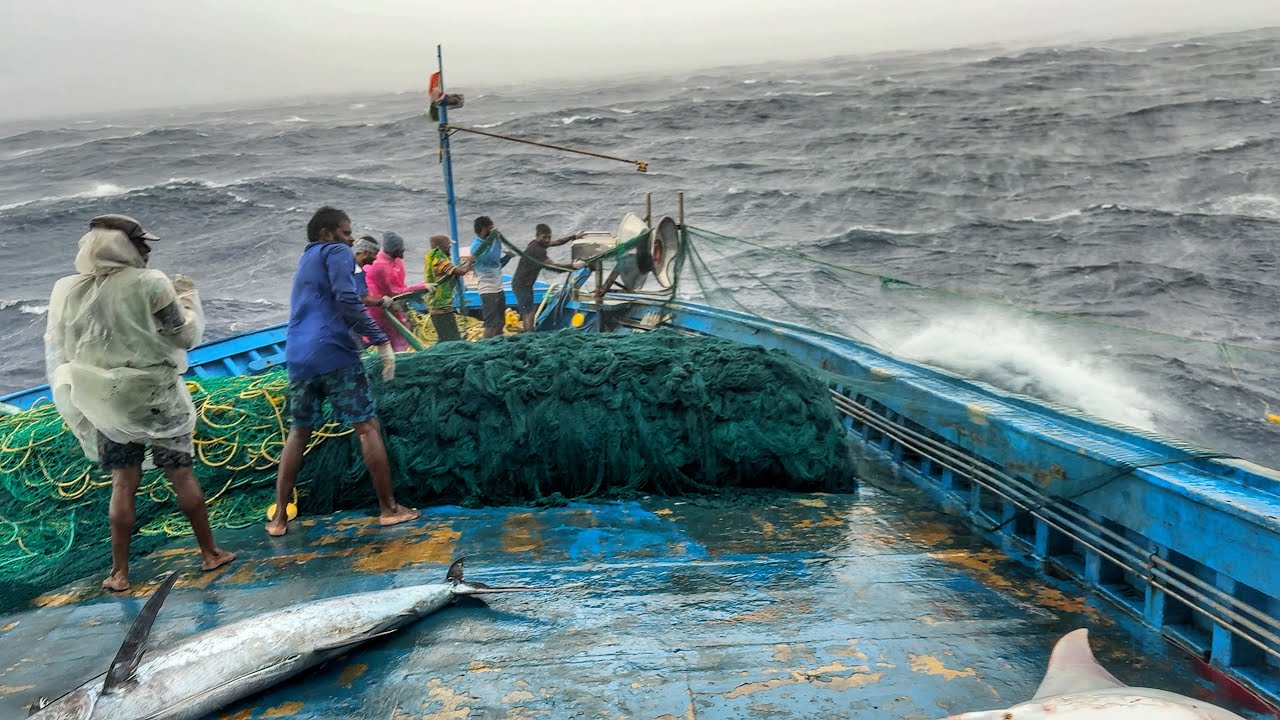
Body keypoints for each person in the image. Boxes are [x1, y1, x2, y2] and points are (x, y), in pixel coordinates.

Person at [44, 213, 236, 591]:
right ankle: (210, 553)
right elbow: (183, 336)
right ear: (124, 246)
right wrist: (189, 299)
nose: (146, 250)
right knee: (181, 473)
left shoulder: (66, 290)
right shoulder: (151, 283)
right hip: (157, 399)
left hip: (107, 404)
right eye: (141, 243)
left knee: (122, 483)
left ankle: (120, 574)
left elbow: (63, 348)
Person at [266, 207, 419, 537]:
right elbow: (348, 299)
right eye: (346, 232)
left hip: (298, 357)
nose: (351, 239)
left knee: (298, 431)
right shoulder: (337, 252)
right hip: (334, 352)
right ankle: (389, 509)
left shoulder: (306, 259)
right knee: (367, 426)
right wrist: (379, 340)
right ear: (326, 233)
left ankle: (279, 518)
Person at [510, 223, 585, 332]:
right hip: (521, 285)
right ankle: (528, 335)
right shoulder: (537, 250)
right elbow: (553, 267)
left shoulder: (539, 244)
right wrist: (573, 266)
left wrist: (573, 236)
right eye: (544, 237)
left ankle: (530, 331)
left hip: (526, 284)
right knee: (528, 311)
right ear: (537, 236)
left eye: (549, 237)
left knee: (529, 310)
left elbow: (557, 242)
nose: (547, 240)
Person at [365, 231, 427, 351]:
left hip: (395, 307)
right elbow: (394, 291)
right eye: (401, 251)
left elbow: (401, 285)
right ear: (393, 250)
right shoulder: (381, 266)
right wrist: (421, 287)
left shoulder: (396, 261)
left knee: (402, 339)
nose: (403, 254)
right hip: (380, 311)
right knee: (388, 343)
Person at [469, 216, 514, 339]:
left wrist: (508, 257)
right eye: (490, 228)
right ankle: (486, 347)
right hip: (488, 290)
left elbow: (496, 265)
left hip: (498, 289)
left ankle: (497, 344)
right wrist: (498, 239)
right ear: (484, 229)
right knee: (491, 323)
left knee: (500, 322)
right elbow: (493, 259)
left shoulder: (488, 244)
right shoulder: (476, 247)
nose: (493, 230)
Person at [424, 234, 473, 342]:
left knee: (444, 339)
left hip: (437, 306)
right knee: (452, 340)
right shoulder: (439, 260)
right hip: (441, 307)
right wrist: (469, 262)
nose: (449, 248)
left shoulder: (432, 257)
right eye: (448, 245)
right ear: (440, 247)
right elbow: (460, 272)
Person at [352, 236, 382, 307]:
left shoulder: (346, 265)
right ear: (365, 253)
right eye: (375, 254)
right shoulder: (358, 271)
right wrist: (382, 301)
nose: (376, 258)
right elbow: (363, 299)